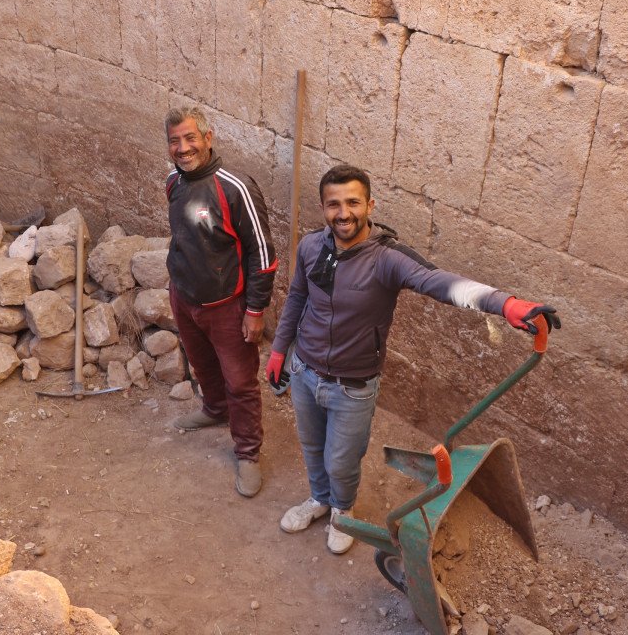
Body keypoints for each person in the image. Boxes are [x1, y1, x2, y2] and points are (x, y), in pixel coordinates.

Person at [266, 164, 560, 553]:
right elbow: (297, 300)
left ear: (370, 204)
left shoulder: (388, 259)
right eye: (333, 204)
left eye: (353, 202)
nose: (344, 213)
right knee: (312, 447)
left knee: (342, 460)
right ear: (323, 208)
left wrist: (504, 303)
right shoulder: (310, 247)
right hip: (304, 371)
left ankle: (342, 509)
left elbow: (440, 282)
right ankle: (320, 499)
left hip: (352, 386)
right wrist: (278, 350)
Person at [164, 106, 278, 497]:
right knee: (201, 363)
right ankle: (214, 409)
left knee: (241, 382)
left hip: (227, 306)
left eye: (190, 138)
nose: (183, 148)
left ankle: (247, 451)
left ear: (208, 138)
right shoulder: (173, 183)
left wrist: (255, 310)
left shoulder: (234, 187)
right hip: (185, 297)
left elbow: (262, 254)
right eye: (175, 141)